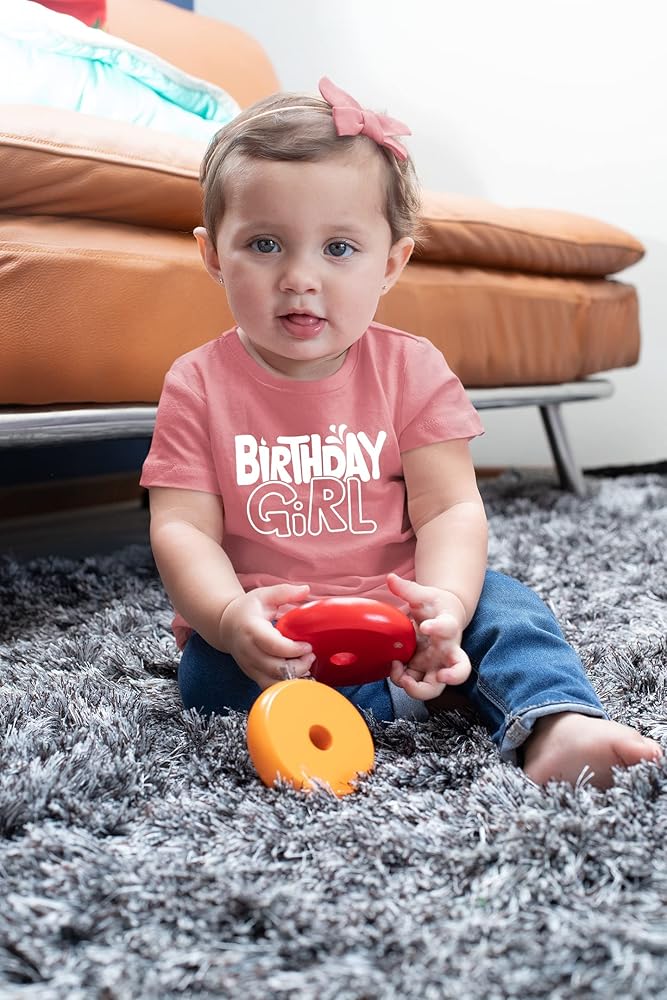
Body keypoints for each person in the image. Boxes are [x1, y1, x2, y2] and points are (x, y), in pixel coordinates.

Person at [140, 77, 661, 789]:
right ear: (212, 255)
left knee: (507, 608)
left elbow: (449, 508)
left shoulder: (411, 369)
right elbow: (182, 529)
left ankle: (554, 722)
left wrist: (445, 604)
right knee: (207, 672)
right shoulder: (196, 383)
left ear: (390, 263)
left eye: (338, 248)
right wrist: (230, 617)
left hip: (404, 607)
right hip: (274, 624)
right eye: (264, 244)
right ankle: (387, 706)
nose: (299, 277)